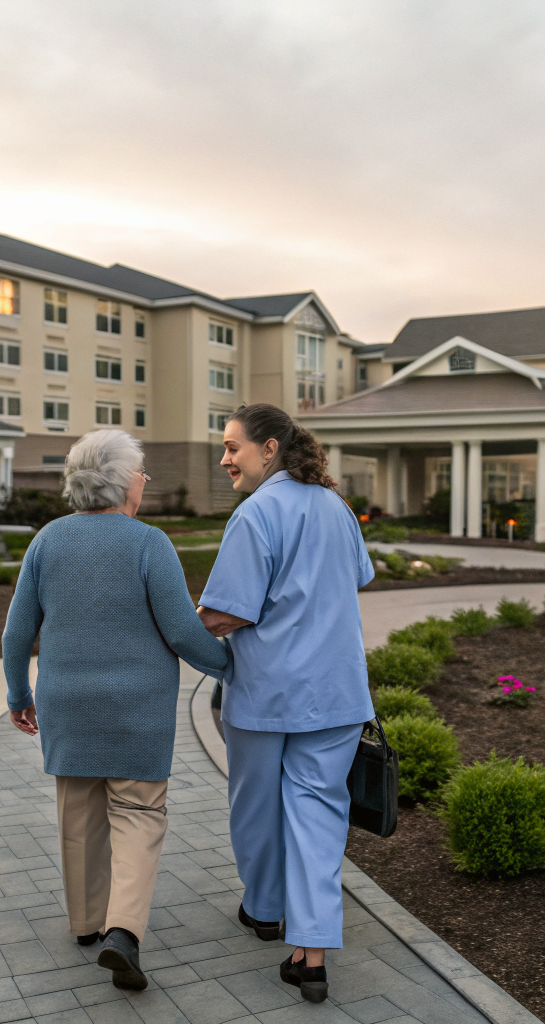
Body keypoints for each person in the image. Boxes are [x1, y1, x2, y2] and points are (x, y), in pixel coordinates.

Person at [2, 428, 231, 992]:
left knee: (77, 811)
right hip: (138, 709)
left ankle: (85, 924)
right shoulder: (148, 543)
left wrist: (17, 695)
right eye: (143, 473)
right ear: (126, 481)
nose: (145, 482)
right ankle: (123, 932)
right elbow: (181, 629)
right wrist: (231, 666)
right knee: (138, 815)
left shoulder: (47, 542)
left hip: (67, 705)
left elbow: (16, 633)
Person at [197, 403, 375, 1004]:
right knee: (319, 815)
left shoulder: (256, 515)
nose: (224, 459)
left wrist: (173, 626)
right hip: (338, 694)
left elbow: (227, 612)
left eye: (231, 448)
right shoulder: (338, 508)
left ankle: (266, 909)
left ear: (269, 448)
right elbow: (358, 578)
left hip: (268, 695)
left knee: (255, 809)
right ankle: (313, 952)